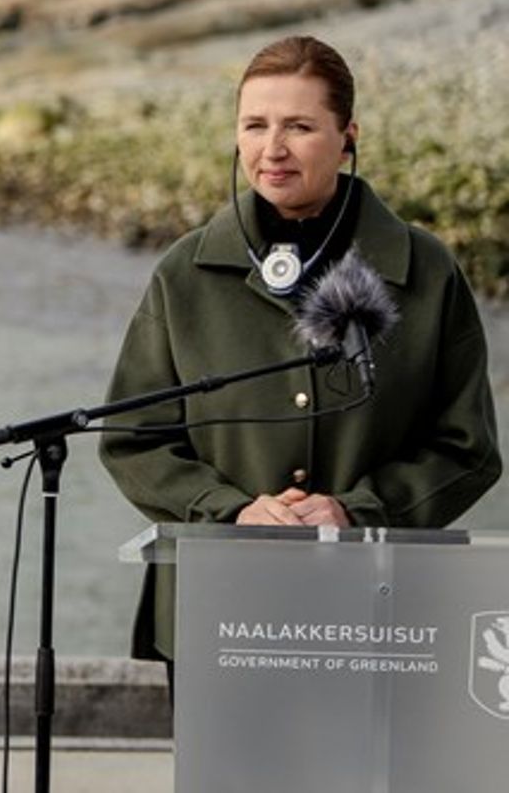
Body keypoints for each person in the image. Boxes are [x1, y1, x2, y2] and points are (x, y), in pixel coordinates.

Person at [98, 35, 501, 666]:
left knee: (358, 771)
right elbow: (133, 437)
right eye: (255, 125)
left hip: (380, 609)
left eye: (300, 126)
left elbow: (467, 451)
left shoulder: (426, 270)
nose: (273, 149)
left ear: (348, 137)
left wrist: (358, 511)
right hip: (221, 607)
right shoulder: (185, 273)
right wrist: (230, 514)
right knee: (227, 772)